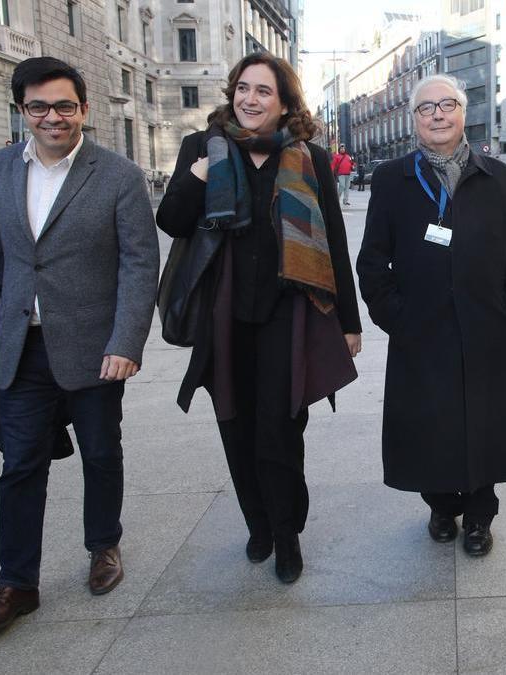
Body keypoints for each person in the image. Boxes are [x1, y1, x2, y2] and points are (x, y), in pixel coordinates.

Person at [0, 57, 159, 634]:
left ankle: (103, 545)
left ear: (84, 110)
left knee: (100, 452)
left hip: (96, 348)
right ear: (22, 110)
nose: (53, 117)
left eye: (65, 106)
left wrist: (127, 342)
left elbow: (139, 265)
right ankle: (16, 583)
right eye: (40, 106)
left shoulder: (118, 174)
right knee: (19, 463)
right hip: (20, 347)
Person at [155, 52, 362, 584]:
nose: (250, 99)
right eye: (243, 89)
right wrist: (199, 176)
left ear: (285, 102)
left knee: (282, 427)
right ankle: (259, 525)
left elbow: (334, 242)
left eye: (263, 91)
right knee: (235, 425)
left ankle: (287, 533)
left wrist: (348, 320)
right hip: (223, 315)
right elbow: (172, 219)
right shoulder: (203, 148)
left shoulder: (308, 157)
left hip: (287, 313)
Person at [357, 73, 506, 556]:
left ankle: (479, 516)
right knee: (429, 424)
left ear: (463, 113)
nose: (437, 114)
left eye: (447, 105)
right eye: (425, 108)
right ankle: (440, 503)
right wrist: (396, 316)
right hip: (421, 330)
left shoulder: (497, 177)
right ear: (415, 121)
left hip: (487, 328)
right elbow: (373, 260)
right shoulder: (393, 179)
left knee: (486, 423)